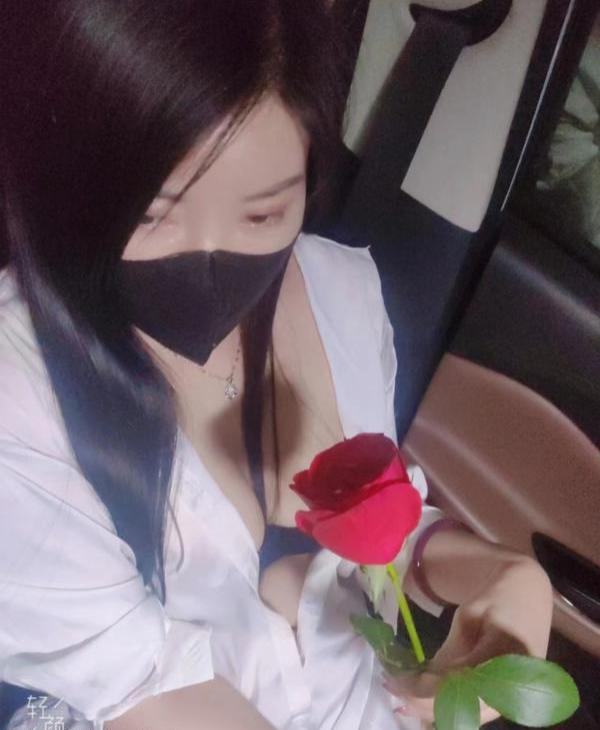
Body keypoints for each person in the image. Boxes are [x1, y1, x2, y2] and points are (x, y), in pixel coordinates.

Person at [0, 2, 554, 729]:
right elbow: (141, 688)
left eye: (263, 214)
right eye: (152, 215)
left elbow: (373, 532)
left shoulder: (340, 293)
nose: (208, 258)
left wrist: (492, 571)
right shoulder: (18, 386)